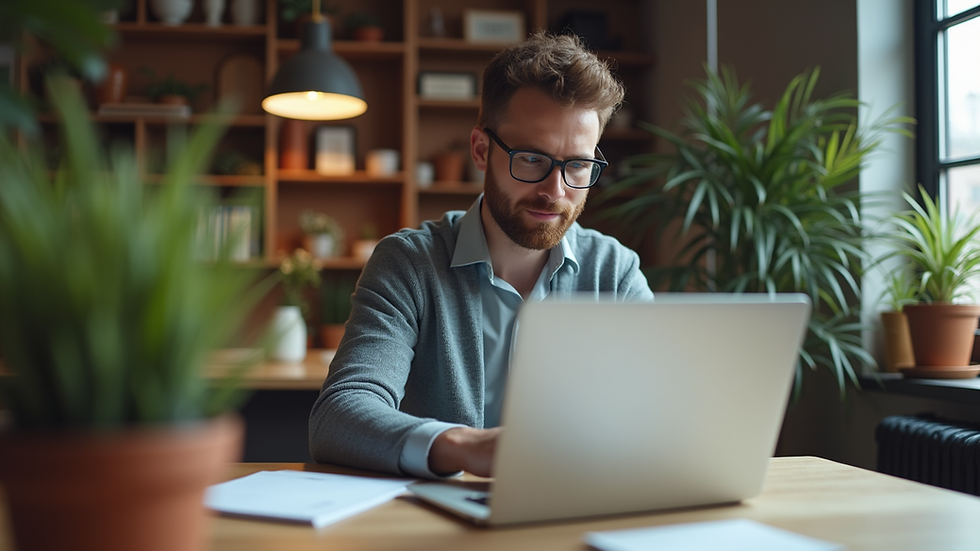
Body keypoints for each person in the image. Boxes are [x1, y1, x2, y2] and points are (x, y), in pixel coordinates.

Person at [309, 31, 653, 479]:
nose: (555, 191)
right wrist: (464, 447)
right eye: (531, 159)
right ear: (480, 149)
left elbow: (659, 411)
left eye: (577, 165)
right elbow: (338, 416)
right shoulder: (408, 264)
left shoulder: (616, 273)